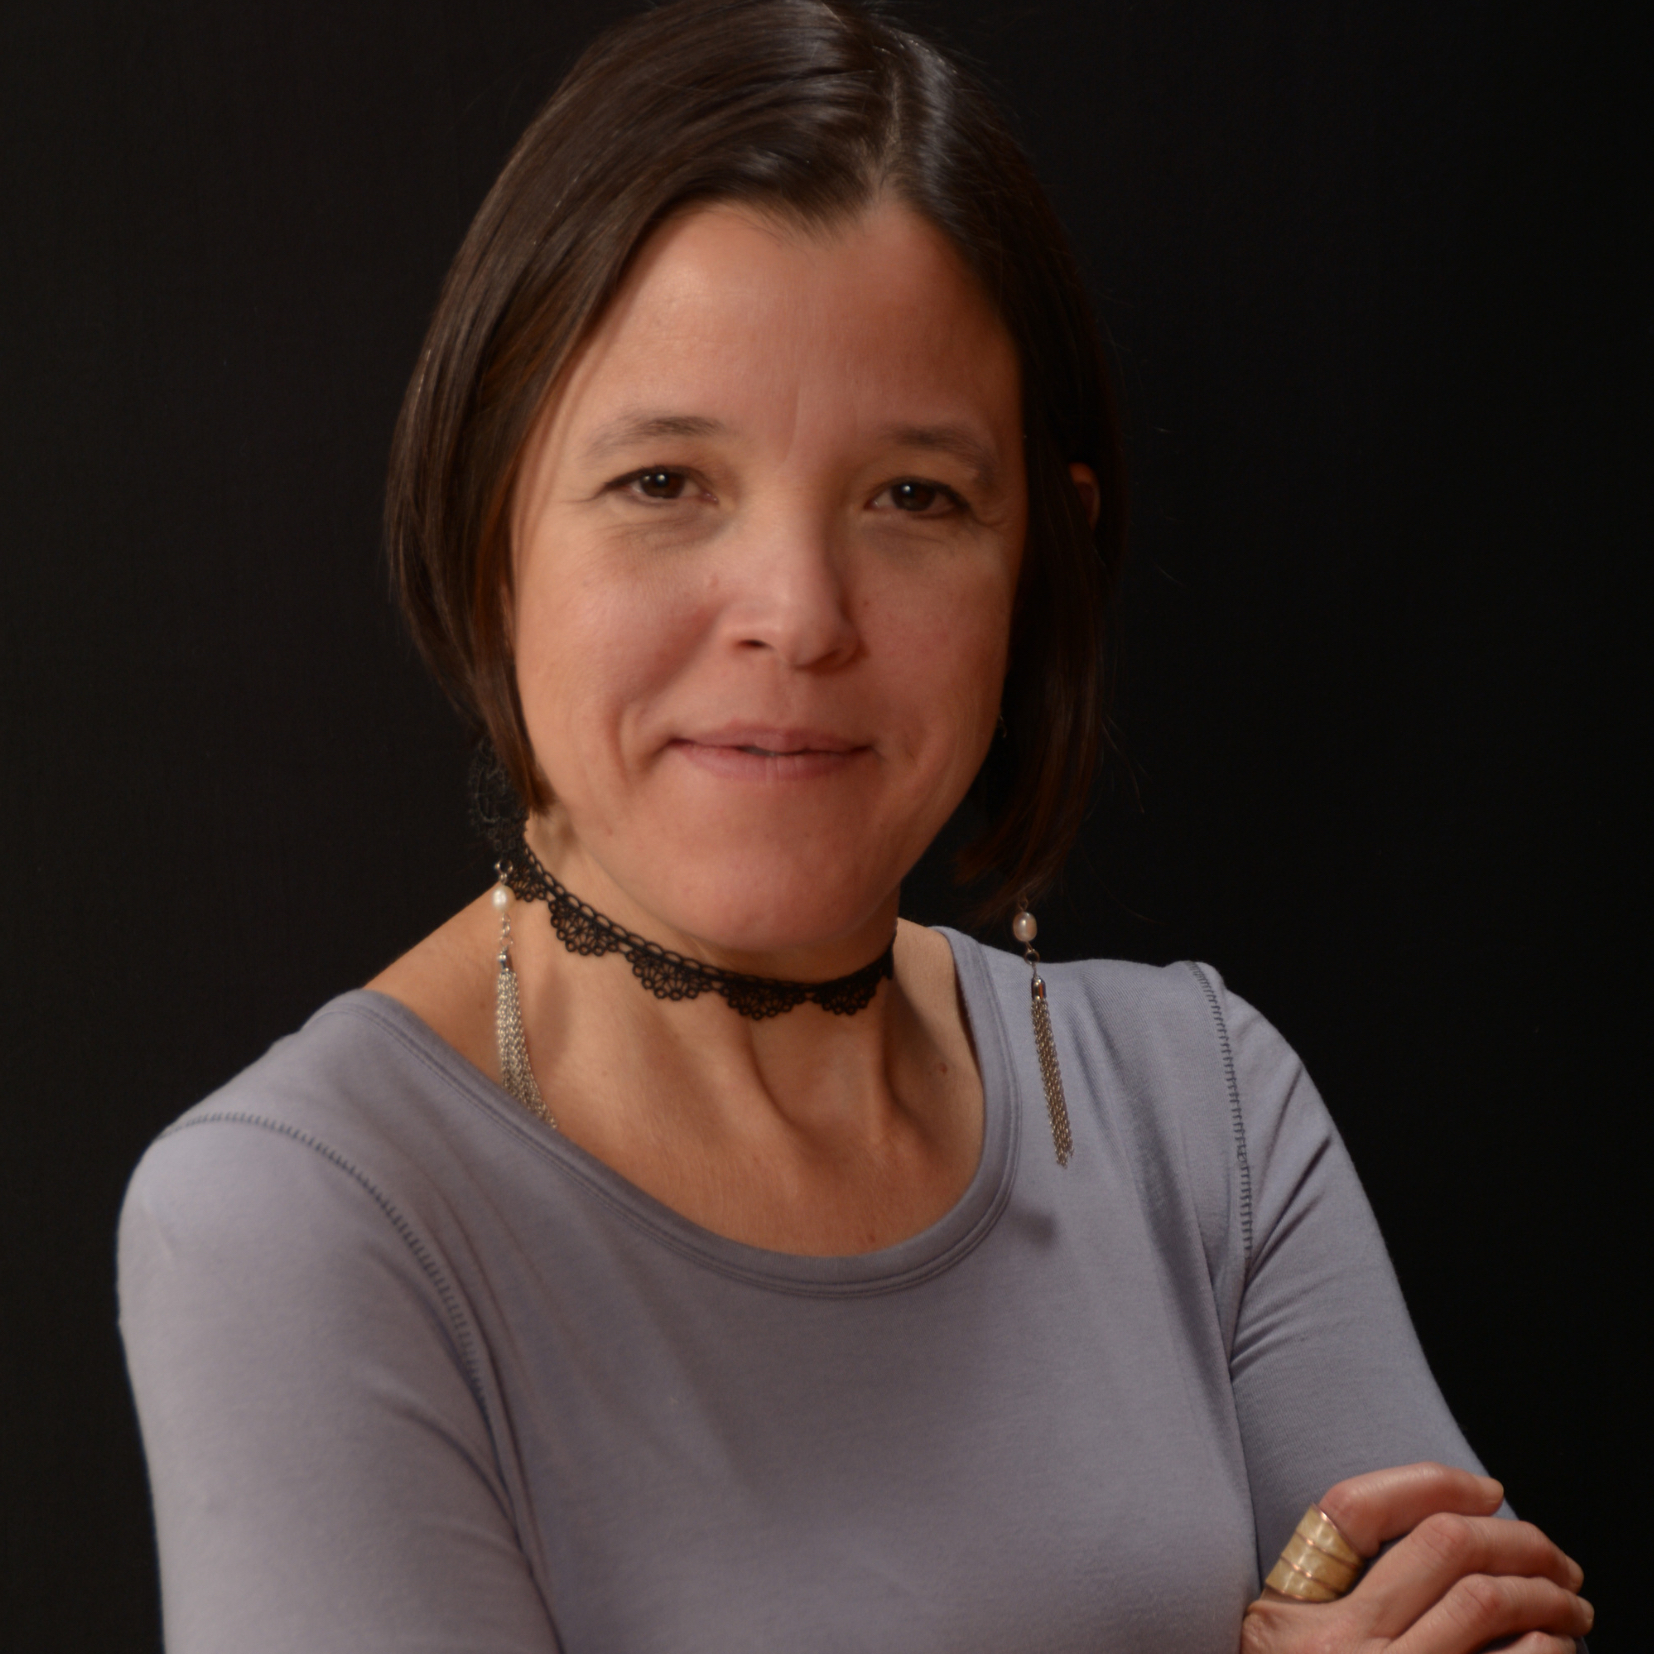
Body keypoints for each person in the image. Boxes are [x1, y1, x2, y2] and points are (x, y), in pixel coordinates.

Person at [117, 2, 1592, 1650]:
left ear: (1038, 556)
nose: (799, 616)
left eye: (914, 496)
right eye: (666, 480)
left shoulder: (1207, 1109)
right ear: (488, 521)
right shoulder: (305, 1213)